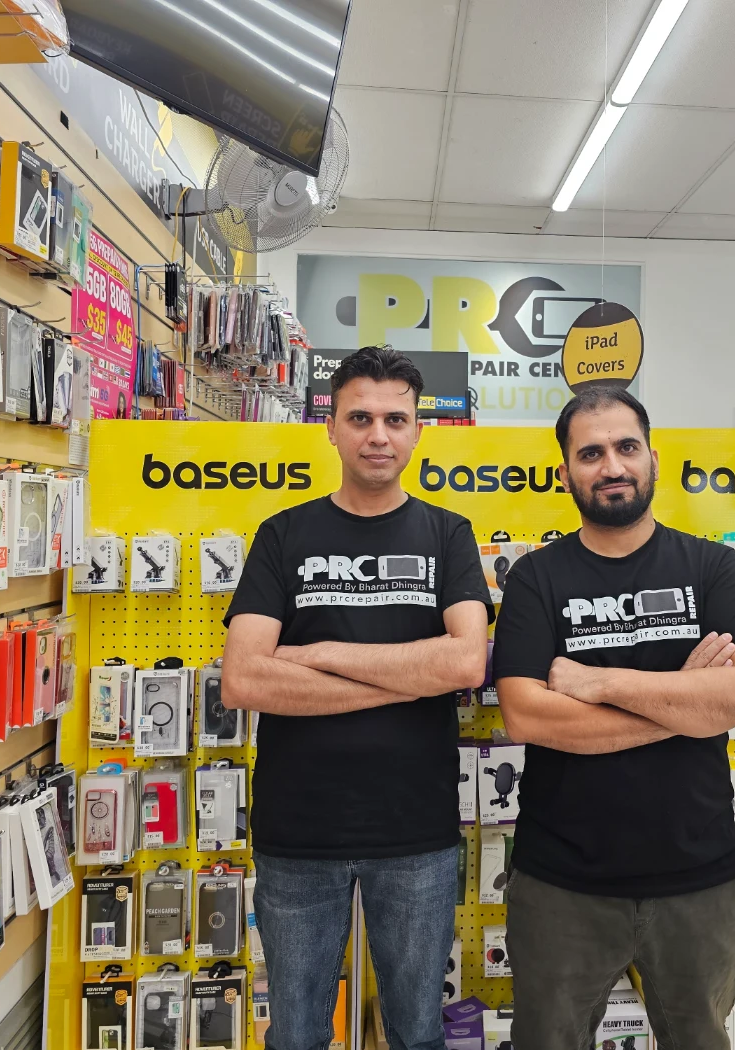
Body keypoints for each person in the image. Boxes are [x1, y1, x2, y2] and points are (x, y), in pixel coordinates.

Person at [221, 346, 492, 1050]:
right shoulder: (283, 535)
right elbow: (245, 679)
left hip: (416, 833)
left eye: (395, 419)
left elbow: (466, 662)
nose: (379, 435)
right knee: (297, 1036)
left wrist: (323, 655)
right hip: (298, 834)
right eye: (361, 418)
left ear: (418, 431)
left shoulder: (449, 534)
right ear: (331, 427)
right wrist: (406, 676)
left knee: (417, 1036)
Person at [492, 387, 735, 1050]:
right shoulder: (534, 579)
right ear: (566, 472)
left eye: (626, 447)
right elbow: (527, 716)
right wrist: (690, 699)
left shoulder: (712, 567)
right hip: (562, 887)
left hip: (700, 881)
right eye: (591, 453)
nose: (612, 466)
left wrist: (601, 683)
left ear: (653, 458)